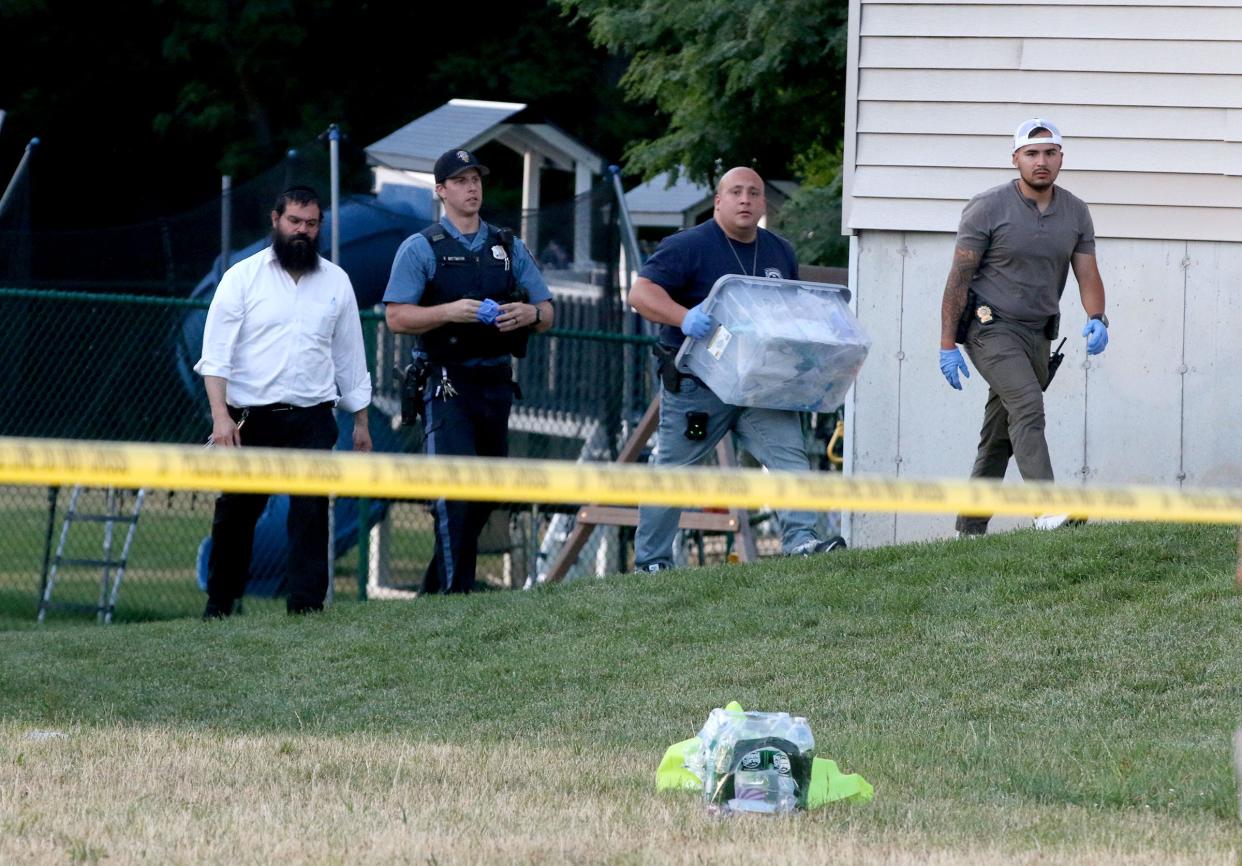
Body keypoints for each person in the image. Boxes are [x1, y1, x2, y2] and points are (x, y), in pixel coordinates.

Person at [629, 166, 847, 572]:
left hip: (763, 385)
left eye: (754, 193)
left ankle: (801, 542)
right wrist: (683, 316)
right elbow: (641, 294)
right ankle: (652, 564)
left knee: (789, 456)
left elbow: (790, 314)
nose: (745, 199)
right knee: (672, 474)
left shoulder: (780, 251)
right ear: (718, 201)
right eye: (736, 192)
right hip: (699, 386)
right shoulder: (686, 246)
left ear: (764, 203)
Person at [195, 185, 373, 617]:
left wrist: (362, 424)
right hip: (248, 418)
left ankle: (306, 608)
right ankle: (220, 604)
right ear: (276, 220)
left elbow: (350, 357)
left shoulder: (336, 281)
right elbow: (215, 353)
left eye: (311, 224)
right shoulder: (242, 276)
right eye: (295, 221)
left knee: (311, 513)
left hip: (312, 417)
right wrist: (220, 417)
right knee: (236, 514)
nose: (302, 231)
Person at [384, 148, 554, 594]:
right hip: (447, 383)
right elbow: (397, 317)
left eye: (476, 178)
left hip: (495, 382)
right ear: (441, 191)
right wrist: (450, 312)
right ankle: (456, 596)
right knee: (453, 493)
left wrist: (528, 315)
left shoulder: (507, 244)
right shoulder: (421, 248)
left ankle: (433, 592)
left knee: (487, 493)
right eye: (460, 180)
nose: (472, 187)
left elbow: (548, 310)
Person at [938, 119, 1109, 536]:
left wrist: (1097, 317)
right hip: (989, 327)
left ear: (1061, 159)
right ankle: (1047, 511)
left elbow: (1087, 273)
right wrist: (946, 345)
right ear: (1015, 158)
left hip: (1039, 334)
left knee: (1001, 434)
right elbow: (959, 278)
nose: (1041, 162)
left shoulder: (1076, 211)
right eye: (1031, 154)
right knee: (1029, 406)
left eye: (1050, 153)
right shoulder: (987, 207)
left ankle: (969, 529)